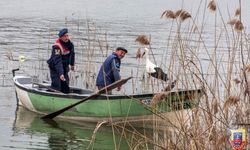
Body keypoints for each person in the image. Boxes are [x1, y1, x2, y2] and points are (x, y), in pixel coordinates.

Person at [47, 28, 75, 93]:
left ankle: (65, 95)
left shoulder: (70, 44)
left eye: (67, 35)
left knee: (65, 84)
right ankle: (53, 95)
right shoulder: (57, 47)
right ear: (60, 38)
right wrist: (61, 73)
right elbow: (57, 61)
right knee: (57, 86)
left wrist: (72, 64)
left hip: (65, 67)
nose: (66, 38)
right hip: (55, 68)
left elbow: (72, 54)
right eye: (64, 36)